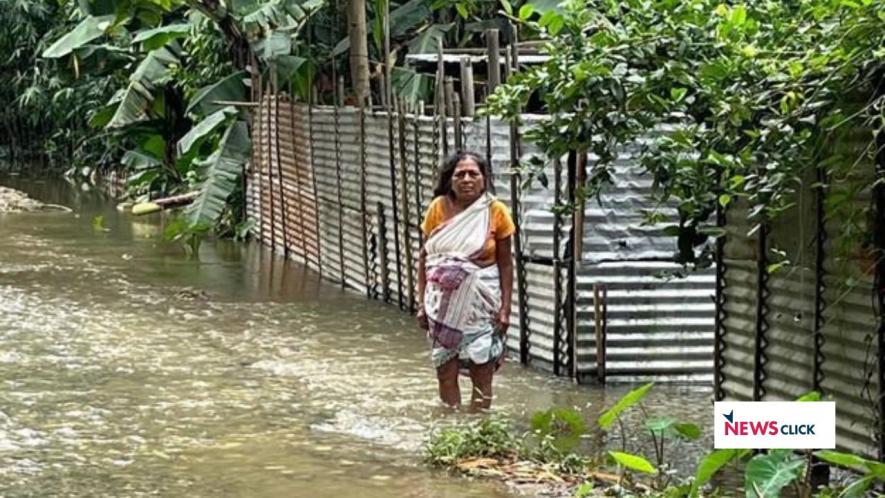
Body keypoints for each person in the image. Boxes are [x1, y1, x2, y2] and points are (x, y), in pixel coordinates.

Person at [416, 151, 515, 411]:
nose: (467, 179)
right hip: (441, 303)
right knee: (444, 369)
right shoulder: (437, 209)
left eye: (474, 174)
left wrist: (505, 309)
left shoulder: (496, 211)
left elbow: (505, 264)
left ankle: (480, 428)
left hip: (482, 302)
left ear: (484, 179)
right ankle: (450, 426)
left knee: (482, 368)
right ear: (450, 180)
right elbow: (425, 260)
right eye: (460, 174)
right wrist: (421, 304)